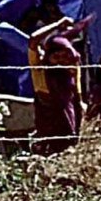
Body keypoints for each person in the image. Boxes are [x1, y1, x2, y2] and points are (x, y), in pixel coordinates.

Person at [28, 17, 81, 154]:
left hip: (67, 127)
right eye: (56, 57)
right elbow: (33, 40)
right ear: (48, 56)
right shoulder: (39, 69)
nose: (60, 61)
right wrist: (57, 25)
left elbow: (77, 100)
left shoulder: (71, 73)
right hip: (46, 126)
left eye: (64, 57)